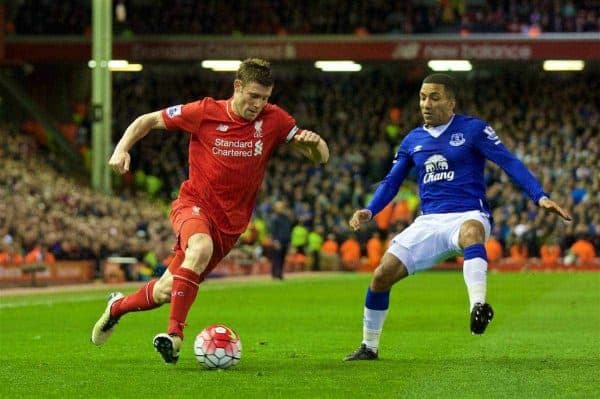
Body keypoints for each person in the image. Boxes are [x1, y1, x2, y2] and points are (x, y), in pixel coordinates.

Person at [91, 58, 329, 364]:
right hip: (193, 204)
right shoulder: (205, 112)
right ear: (237, 87)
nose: (259, 104)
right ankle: (174, 336)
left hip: (230, 225)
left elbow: (320, 157)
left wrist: (316, 143)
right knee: (200, 246)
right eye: (253, 96)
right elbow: (146, 121)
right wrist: (121, 149)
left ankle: (116, 307)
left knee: (165, 290)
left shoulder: (274, 120)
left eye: (265, 98)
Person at [344, 73, 571, 361]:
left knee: (472, 233)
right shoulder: (413, 139)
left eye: (434, 97)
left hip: (468, 213)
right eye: (423, 97)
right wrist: (370, 209)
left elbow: (509, 161)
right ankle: (369, 346)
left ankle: (478, 306)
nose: (426, 103)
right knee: (381, 275)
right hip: (429, 222)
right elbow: (391, 182)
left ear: (451, 103)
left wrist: (539, 195)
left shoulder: (473, 129)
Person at [269, 200, 292, 279]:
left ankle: (280, 273)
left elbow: (288, 229)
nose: (282, 209)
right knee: (277, 257)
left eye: (282, 207)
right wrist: (275, 241)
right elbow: (273, 230)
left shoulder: (286, 218)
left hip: (285, 240)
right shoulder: (275, 218)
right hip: (278, 240)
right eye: (280, 207)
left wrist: (289, 241)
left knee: (282, 258)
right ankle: (275, 273)